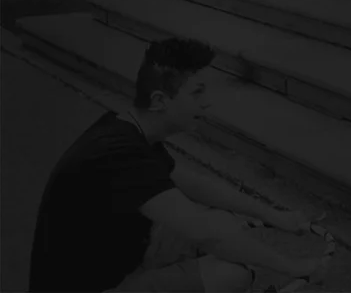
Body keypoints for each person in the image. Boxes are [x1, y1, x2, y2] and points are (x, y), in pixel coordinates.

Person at [29, 38, 329, 292]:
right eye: (197, 92)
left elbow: (195, 184)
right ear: (160, 100)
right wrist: (297, 267)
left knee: (225, 226)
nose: (207, 103)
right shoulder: (119, 155)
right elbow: (203, 232)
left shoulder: (128, 129)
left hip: (120, 254)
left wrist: (275, 215)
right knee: (232, 272)